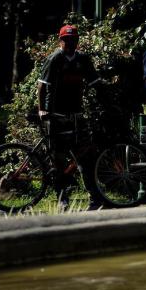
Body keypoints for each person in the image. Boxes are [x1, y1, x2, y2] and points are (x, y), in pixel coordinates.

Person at [37, 24, 103, 210]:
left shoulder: (83, 59)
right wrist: (42, 110)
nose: (70, 42)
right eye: (67, 39)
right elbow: (42, 86)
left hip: (76, 114)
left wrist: (107, 101)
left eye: (73, 39)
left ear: (78, 40)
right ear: (61, 40)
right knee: (58, 159)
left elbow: (95, 82)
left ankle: (95, 197)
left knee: (84, 157)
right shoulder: (54, 59)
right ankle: (62, 199)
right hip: (56, 115)